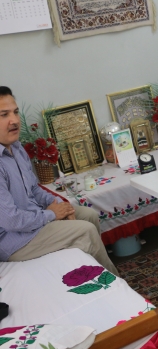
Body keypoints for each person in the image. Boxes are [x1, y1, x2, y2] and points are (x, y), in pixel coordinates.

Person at [0, 86, 118, 275]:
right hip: (16, 240)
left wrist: (61, 207)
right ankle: (114, 283)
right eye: (4, 115)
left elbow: (34, 189)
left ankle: (90, 275)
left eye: (15, 112)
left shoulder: (17, 148)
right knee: (86, 231)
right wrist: (52, 214)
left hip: (34, 220)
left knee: (89, 215)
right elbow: (12, 221)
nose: (14, 120)